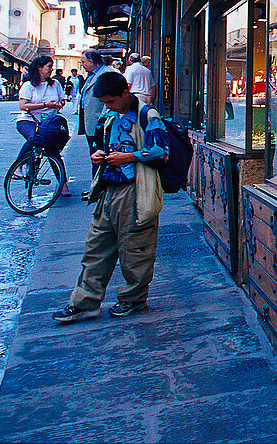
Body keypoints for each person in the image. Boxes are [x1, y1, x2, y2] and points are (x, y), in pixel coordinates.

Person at [52, 71, 169, 323]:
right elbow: (101, 143)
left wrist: (128, 157)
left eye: (111, 101)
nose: (108, 106)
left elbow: (161, 151)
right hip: (108, 189)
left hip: (135, 190)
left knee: (135, 250)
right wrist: (98, 154)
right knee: (96, 247)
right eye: (105, 103)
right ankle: (85, 303)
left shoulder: (148, 115)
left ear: (126, 91)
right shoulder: (109, 116)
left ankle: (133, 299)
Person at [16, 56, 71, 196]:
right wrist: (46, 105)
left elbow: (62, 100)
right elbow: (23, 106)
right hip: (29, 119)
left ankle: (63, 183)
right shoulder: (28, 86)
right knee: (35, 137)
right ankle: (19, 166)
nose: (51, 69)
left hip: (49, 122)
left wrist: (59, 105)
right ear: (39, 68)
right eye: (48, 66)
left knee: (53, 150)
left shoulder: (55, 84)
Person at [77, 50, 115, 152]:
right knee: (93, 153)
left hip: (99, 123)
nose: (82, 65)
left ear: (91, 61)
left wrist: (103, 119)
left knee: (99, 153)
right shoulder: (91, 75)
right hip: (90, 122)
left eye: (83, 62)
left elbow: (111, 99)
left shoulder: (107, 73)